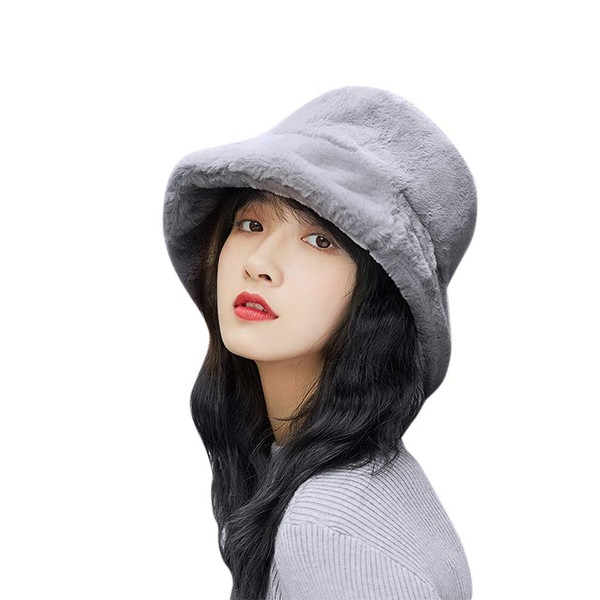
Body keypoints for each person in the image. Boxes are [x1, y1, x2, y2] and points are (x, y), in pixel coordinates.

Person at [163, 85, 477, 600]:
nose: (258, 262)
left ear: (379, 295)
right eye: (251, 223)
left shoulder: (328, 526)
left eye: (319, 240)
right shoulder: (339, 482)